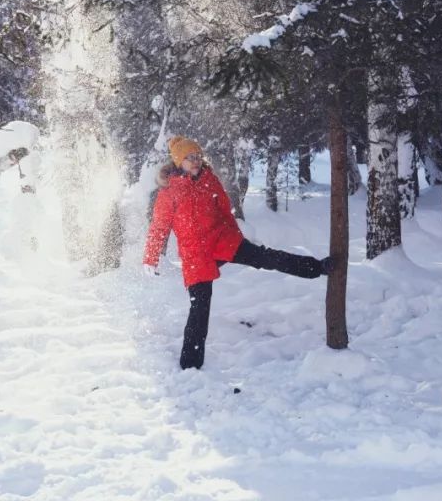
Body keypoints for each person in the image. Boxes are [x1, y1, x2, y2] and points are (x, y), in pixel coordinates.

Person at [143, 135, 333, 369]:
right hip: (196, 254)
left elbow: (224, 210)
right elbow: (159, 227)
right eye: (190, 157)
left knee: (266, 257)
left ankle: (317, 267)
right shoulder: (169, 192)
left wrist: (234, 237)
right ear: (178, 161)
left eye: (198, 156)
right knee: (200, 307)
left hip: (221, 241)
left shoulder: (209, 180)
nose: (196, 161)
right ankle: (190, 366)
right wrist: (150, 258)